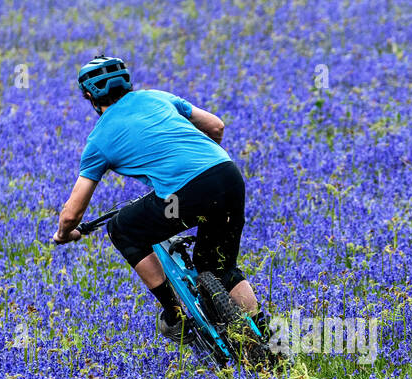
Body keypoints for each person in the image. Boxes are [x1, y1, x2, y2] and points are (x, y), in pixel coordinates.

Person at [51, 55, 264, 343]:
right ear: (126, 81)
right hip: (227, 176)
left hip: (185, 193)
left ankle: (175, 315)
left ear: (88, 95)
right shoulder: (157, 98)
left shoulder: (98, 140)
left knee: (122, 228)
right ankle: (266, 341)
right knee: (220, 267)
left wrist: (65, 234)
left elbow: (72, 214)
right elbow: (216, 127)